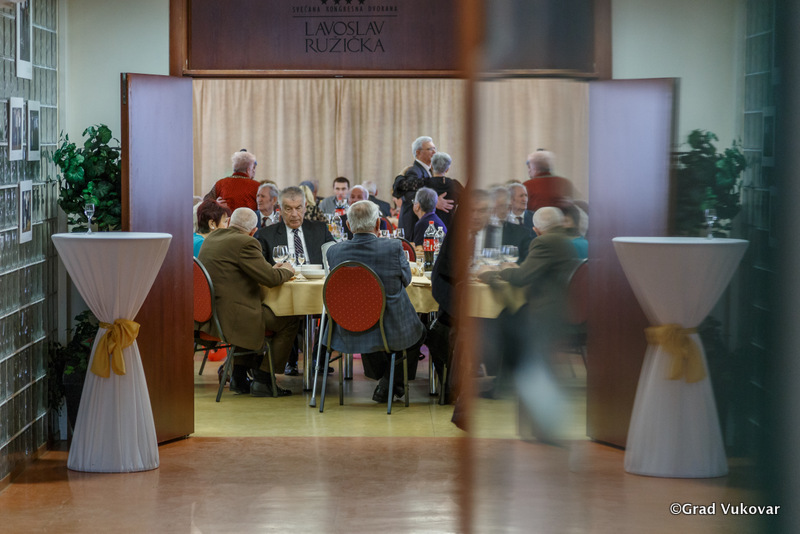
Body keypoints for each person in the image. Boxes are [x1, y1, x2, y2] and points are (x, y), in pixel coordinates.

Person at [477, 206, 578, 441]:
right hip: (560, 310)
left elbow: (522, 277)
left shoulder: (544, 242)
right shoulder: (565, 240)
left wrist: (495, 273)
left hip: (544, 313)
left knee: (531, 362)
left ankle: (540, 426)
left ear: (536, 229)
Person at [325, 200, 426, 403]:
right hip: (390, 328)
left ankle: (387, 380)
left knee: (371, 325)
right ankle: (390, 382)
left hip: (350, 328)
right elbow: (406, 280)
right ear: (379, 224)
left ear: (348, 225)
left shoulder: (334, 252)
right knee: (420, 332)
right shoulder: (393, 247)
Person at [197, 208, 299, 397]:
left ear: (229, 223)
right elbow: (271, 279)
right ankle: (264, 379)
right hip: (232, 319)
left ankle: (239, 377)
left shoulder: (212, 238)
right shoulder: (246, 242)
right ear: (253, 231)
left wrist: (271, 269)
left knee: (252, 310)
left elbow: (246, 269)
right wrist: (287, 270)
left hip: (211, 316)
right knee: (290, 320)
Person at [255, 186, 335, 266]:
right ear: (280, 209)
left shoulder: (320, 230)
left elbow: (335, 256)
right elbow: (260, 267)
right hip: (284, 274)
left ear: (305, 207)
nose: (294, 214)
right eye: (288, 209)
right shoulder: (266, 235)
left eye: (298, 208)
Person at [392, 136, 454, 239]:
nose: (434, 152)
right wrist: (432, 202)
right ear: (418, 152)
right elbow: (409, 195)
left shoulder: (429, 170)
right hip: (412, 224)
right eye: (430, 149)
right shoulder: (414, 171)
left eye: (434, 148)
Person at [425, 152, 463, 231]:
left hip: (429, 228)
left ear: (431, 166)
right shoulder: (455, 185)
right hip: (450, 229)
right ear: (447, 169)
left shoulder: (425, 183)